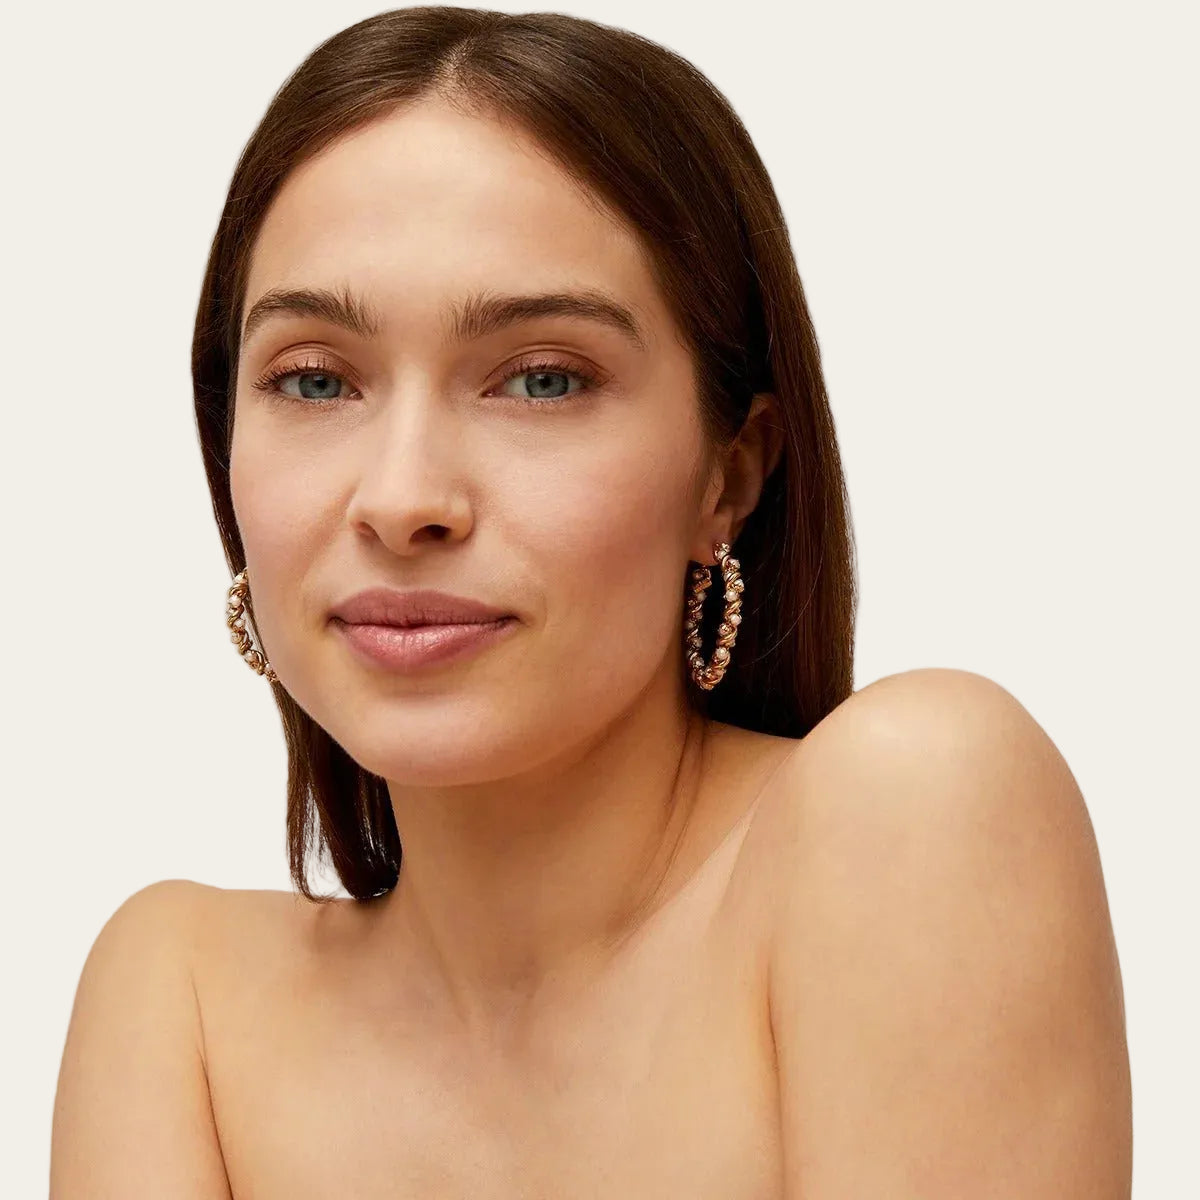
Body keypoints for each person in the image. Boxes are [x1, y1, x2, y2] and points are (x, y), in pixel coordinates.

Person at [50, 7, 1131, 1197]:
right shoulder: (183, 1004)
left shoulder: (919, 802)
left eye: (543, 378)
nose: (405, 497)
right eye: (314, 379)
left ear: (731, 472)